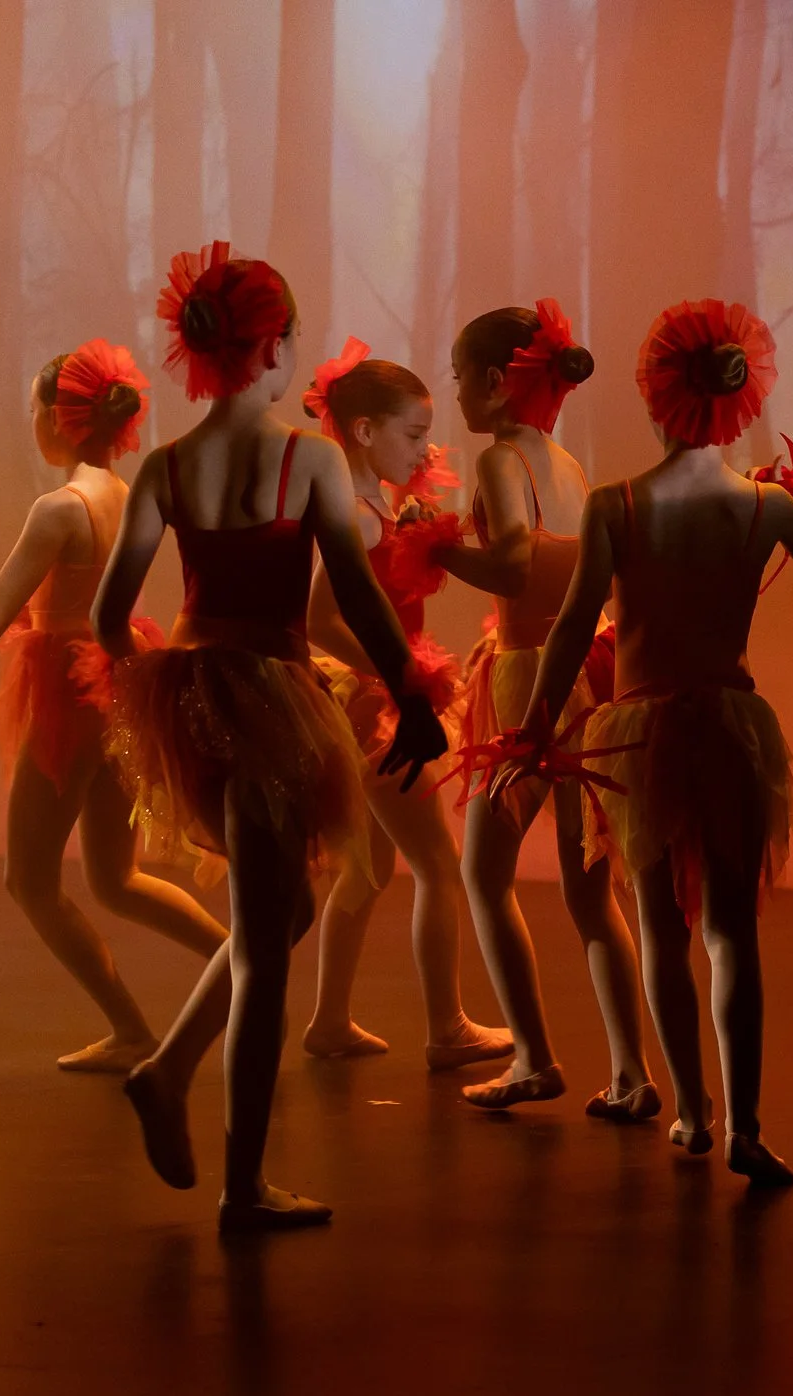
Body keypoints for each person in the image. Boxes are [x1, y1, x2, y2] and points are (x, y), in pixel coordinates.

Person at [95, 243, 448, 1230]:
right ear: (275, 347)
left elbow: (109, 614)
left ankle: (166, 1072)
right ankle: (241, 1181)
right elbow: (366, 600)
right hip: (273, 697)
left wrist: (152, 697)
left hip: (197, 692)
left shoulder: (166, 467)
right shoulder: (311, 459)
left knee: (283, 908)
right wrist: (411, 693)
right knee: (266, 946)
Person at [499, 299, 793, 1180]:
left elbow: (572, 628)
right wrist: (786, 518)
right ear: (737, 402)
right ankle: (746, 1122)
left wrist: (537, 726)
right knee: (732, 931)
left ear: (657, 399)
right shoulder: (763, 507)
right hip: (730, 727)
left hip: (637, 733)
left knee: (660, 927)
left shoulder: (618, 506)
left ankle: (693, 1113)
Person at [0, 339, 225, 1071]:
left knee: (29, 877)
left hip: (68, 691)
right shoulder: (131, 494)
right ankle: (241, 965)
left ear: (57, 421)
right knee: (115, 879)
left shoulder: (60, 509)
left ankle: (133, 1025)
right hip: (122, 684)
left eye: (32, 408)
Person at [445, 301, 652, 1118]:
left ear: (496, 383)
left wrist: (433, 548)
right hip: (589, 671)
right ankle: (632, 1070)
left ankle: (533, 1055)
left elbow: (511, 569)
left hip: (532, 671)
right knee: (589, 889)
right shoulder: (567, 464)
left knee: (482, 873)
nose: (455, 391)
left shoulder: (502, 461)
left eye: (459, 375)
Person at [294, 338, 512, 1072]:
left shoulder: (369, 504)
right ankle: (446, 1025)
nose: (424, 450)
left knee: (368, 869)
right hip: (374, 703)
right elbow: (318, 617)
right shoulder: (353, 516)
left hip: (375, 696)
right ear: (362, 431)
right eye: (413, 436)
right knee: (439, 865)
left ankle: (328, 1020)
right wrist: (394, 674)